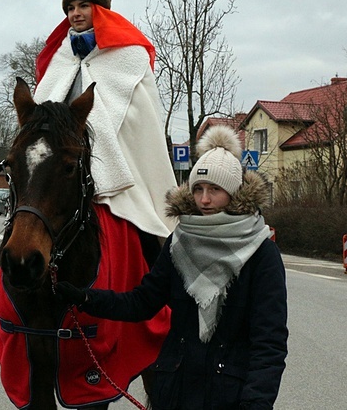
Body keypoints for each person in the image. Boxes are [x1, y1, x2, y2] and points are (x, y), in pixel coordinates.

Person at [0, 0, 177, 340]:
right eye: (70, 8)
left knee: (148, 232)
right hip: (62, 168)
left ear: (100, 10)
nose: (75, 14)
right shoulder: (60, 57)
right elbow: (40, 116)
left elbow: (140, 124)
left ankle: (172, 302)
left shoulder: (130, 56)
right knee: (19, 226)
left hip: (115, 167)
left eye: (83, 6)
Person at [55, 125, 288, 410]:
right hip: (174, 394)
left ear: (235, 193)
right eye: (198, 189)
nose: (204, 199)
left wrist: (256, 404)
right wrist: (86, 299)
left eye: (215, 189)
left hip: (230, 398)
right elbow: (142, 303)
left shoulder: (261, 253)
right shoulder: (180, 242)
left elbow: (269, 343)